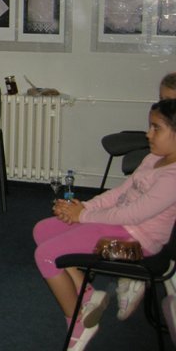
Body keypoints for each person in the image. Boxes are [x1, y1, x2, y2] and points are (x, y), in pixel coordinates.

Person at [33, 98, 176, 351]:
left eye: (156, 128)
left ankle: (78, 325)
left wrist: (82, 216)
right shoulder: (154, 158)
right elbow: (120, 193)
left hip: (137, 247)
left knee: (45, 255)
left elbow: (134, 215)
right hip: (121, 229)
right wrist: (84, 207)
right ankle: (88, 295)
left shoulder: (173, 177)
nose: (148, 133)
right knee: (42, 230)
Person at [114, 71, 176, 321]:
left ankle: (136, 276)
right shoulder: (159, 155)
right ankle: (133, 276)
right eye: (162, 100)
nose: (164, 106)